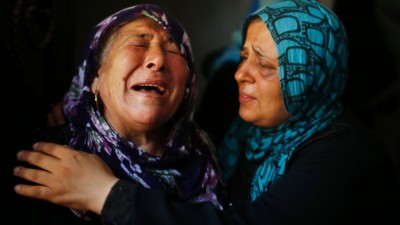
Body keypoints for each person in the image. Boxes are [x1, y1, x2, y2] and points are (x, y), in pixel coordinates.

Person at [14, 0, 399, 225]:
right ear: (94, 77)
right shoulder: (49, 160)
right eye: (244, 55)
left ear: (311, 79)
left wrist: (106, 194)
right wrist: (74, 108)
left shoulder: (343, 158)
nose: (239, 74)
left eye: (264, 65)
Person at [13, 3, 223, 225]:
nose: (159, 60)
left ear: (187, 85)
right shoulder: (49, 157)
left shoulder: (205, 154)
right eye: (138, 42)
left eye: (172, 49)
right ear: (95, 78)